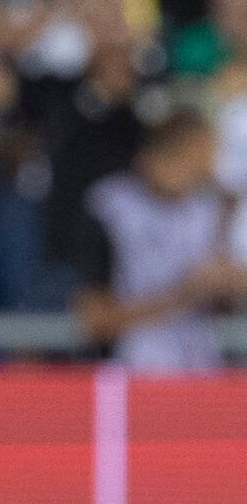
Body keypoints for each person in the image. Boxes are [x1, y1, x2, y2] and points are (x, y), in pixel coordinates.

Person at [72, 109, 245, 368]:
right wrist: (183, 294)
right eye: (191, 161)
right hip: (132, 370)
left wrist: (228, 284)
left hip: (200, 372)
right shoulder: (110, 208)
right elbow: (95, 321)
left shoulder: (210, 209)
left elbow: (226, 302)